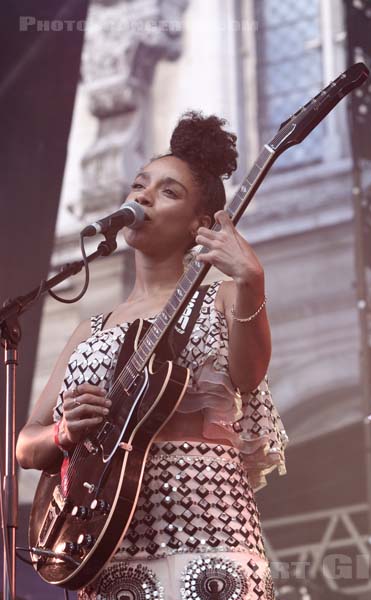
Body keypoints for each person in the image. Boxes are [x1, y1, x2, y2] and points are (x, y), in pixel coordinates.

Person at [16, 111, 288, 600]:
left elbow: (249, 374)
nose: (141, 196)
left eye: (168, 191)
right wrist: (64, 431)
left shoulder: (223, 298)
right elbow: (26, 446)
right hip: (106, 547)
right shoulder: (88, 331)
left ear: (201, 225)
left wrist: (252, 281)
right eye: (140, 184)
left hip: (211, 538)